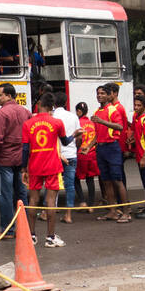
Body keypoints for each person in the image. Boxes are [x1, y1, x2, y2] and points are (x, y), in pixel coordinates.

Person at [0, 83, 29, 237]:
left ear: (8, 96)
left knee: (5, 195)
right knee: (21, 194)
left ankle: (8, 230)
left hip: (4, 160)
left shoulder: (1, 114)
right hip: (21, 158)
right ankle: (25, 227)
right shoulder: (25, 112)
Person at [21, 93, 66, 247]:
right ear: (52, 106)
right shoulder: (57, 122)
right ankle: (50, 238)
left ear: (39, 104)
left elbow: (25, 149)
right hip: (53, 165)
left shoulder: (28, 124)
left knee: (33, 200)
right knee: (51, 201)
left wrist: (23, 169)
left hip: (34, 166)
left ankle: (32, 236)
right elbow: (65, 141)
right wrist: (75, 135)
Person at [91, 83, 131, 223]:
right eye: (98, 93)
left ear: (109, 96)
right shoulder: (97, 112)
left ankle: (126, 212)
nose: (99, 96)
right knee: (106, 181)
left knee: (117, 180)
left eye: (102, 93)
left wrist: (102, 121)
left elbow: (120, 127)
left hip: (112, 147)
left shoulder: (112, 110)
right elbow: (97, 134)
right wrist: (88, 147)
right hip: (101, 149)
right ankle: (113, 211)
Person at [54, 94, 80, 224]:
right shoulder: (74, 116)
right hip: (71, 154)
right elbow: (79, 136)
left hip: (56, 155)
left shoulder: (52, 117)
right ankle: (68, 215)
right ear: (66, 102)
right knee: (70, 186)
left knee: (53, 185)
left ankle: (47, 212)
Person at [74, 101, 99, 212]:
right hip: (92, 154)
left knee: (76, 179)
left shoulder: (78, 123)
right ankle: (91, 204)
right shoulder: (92, 123)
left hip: (81, 155)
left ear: (79, 111)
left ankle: (82, 201)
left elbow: (78, 139)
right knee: (90, 179)